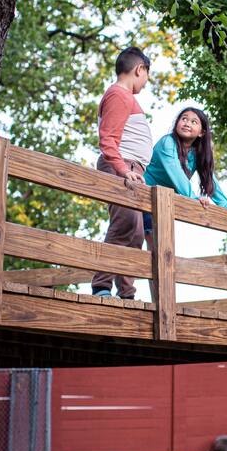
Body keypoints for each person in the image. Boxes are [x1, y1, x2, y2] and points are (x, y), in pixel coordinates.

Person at [91, 46, 152, 299]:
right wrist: (123, 169)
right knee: (124, 223)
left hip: (131, 169)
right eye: (147, 76)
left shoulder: (125, 96)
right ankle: (101, 286)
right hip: (122, 167)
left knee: (136, 232)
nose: (146, 83)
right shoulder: (119, 94)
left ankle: (126, 293)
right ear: (139, 69)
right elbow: (107, 139)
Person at [143, 106, 227, 247]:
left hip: (164, 201)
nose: (187, 123)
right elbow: (176, 172)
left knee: (161, 245)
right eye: (184, 119)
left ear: (202, 132)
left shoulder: (197, 153)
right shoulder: (167, 142)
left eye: (194, 122)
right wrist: (193, 198)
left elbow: (209, 179)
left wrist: (226, 205)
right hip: (145, 193)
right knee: (144, 238)